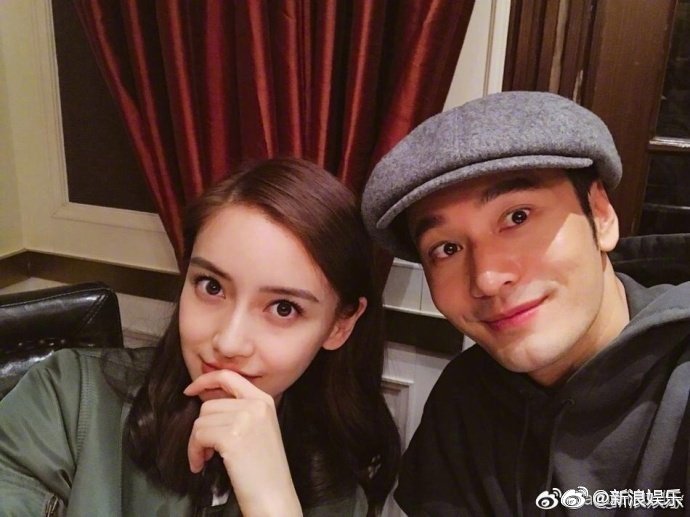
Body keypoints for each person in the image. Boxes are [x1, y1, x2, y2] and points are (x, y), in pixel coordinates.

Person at [0, 158, 400, 516]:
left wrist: (272, 504)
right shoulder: (68, 397)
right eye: (211, 286)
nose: (228, 342)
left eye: (283, 308)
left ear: (340, 325)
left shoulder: (342, 464)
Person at [361, 91, 690, 516]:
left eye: (518, 217)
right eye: (446, 248)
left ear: (601, 215)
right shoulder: (463, 400)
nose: (487, 278)